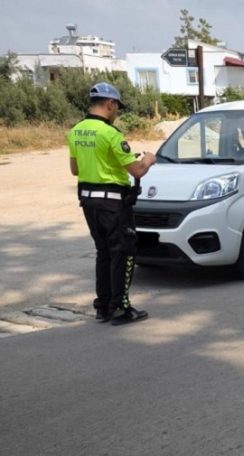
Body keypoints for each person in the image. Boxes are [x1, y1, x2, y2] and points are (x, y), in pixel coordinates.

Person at [67, 82, 157, 325]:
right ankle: (120, 308)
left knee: (103, 252)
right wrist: (148, 159)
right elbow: (137, 170)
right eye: (116, 107)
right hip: (113, 204)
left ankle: (103, 306)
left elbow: (75, 169)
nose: (116, 111)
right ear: (110, 104)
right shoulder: (110, 134)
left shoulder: (75, 131)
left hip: (88, 201)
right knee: (123, 252)